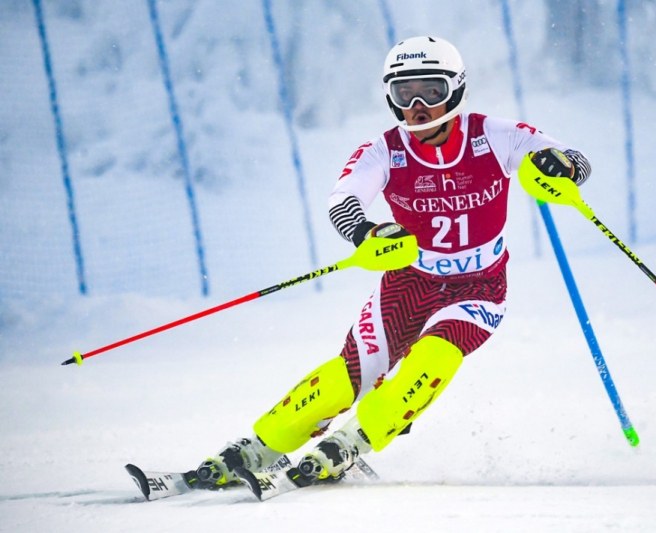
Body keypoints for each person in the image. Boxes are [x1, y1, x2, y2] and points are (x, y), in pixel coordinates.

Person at [194, 35, 591, 487]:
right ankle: (256, 447)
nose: (418, 105)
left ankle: (352, 442)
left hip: (479, 287)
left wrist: (560, 166)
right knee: (350, 376)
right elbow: (342, 200)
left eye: (431, 90)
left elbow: (573, 159)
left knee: (433, 356)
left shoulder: (494, 135)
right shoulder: (383, 150)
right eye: (404, 93)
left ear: (456, 89)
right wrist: (367, 231)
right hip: (408, 283)